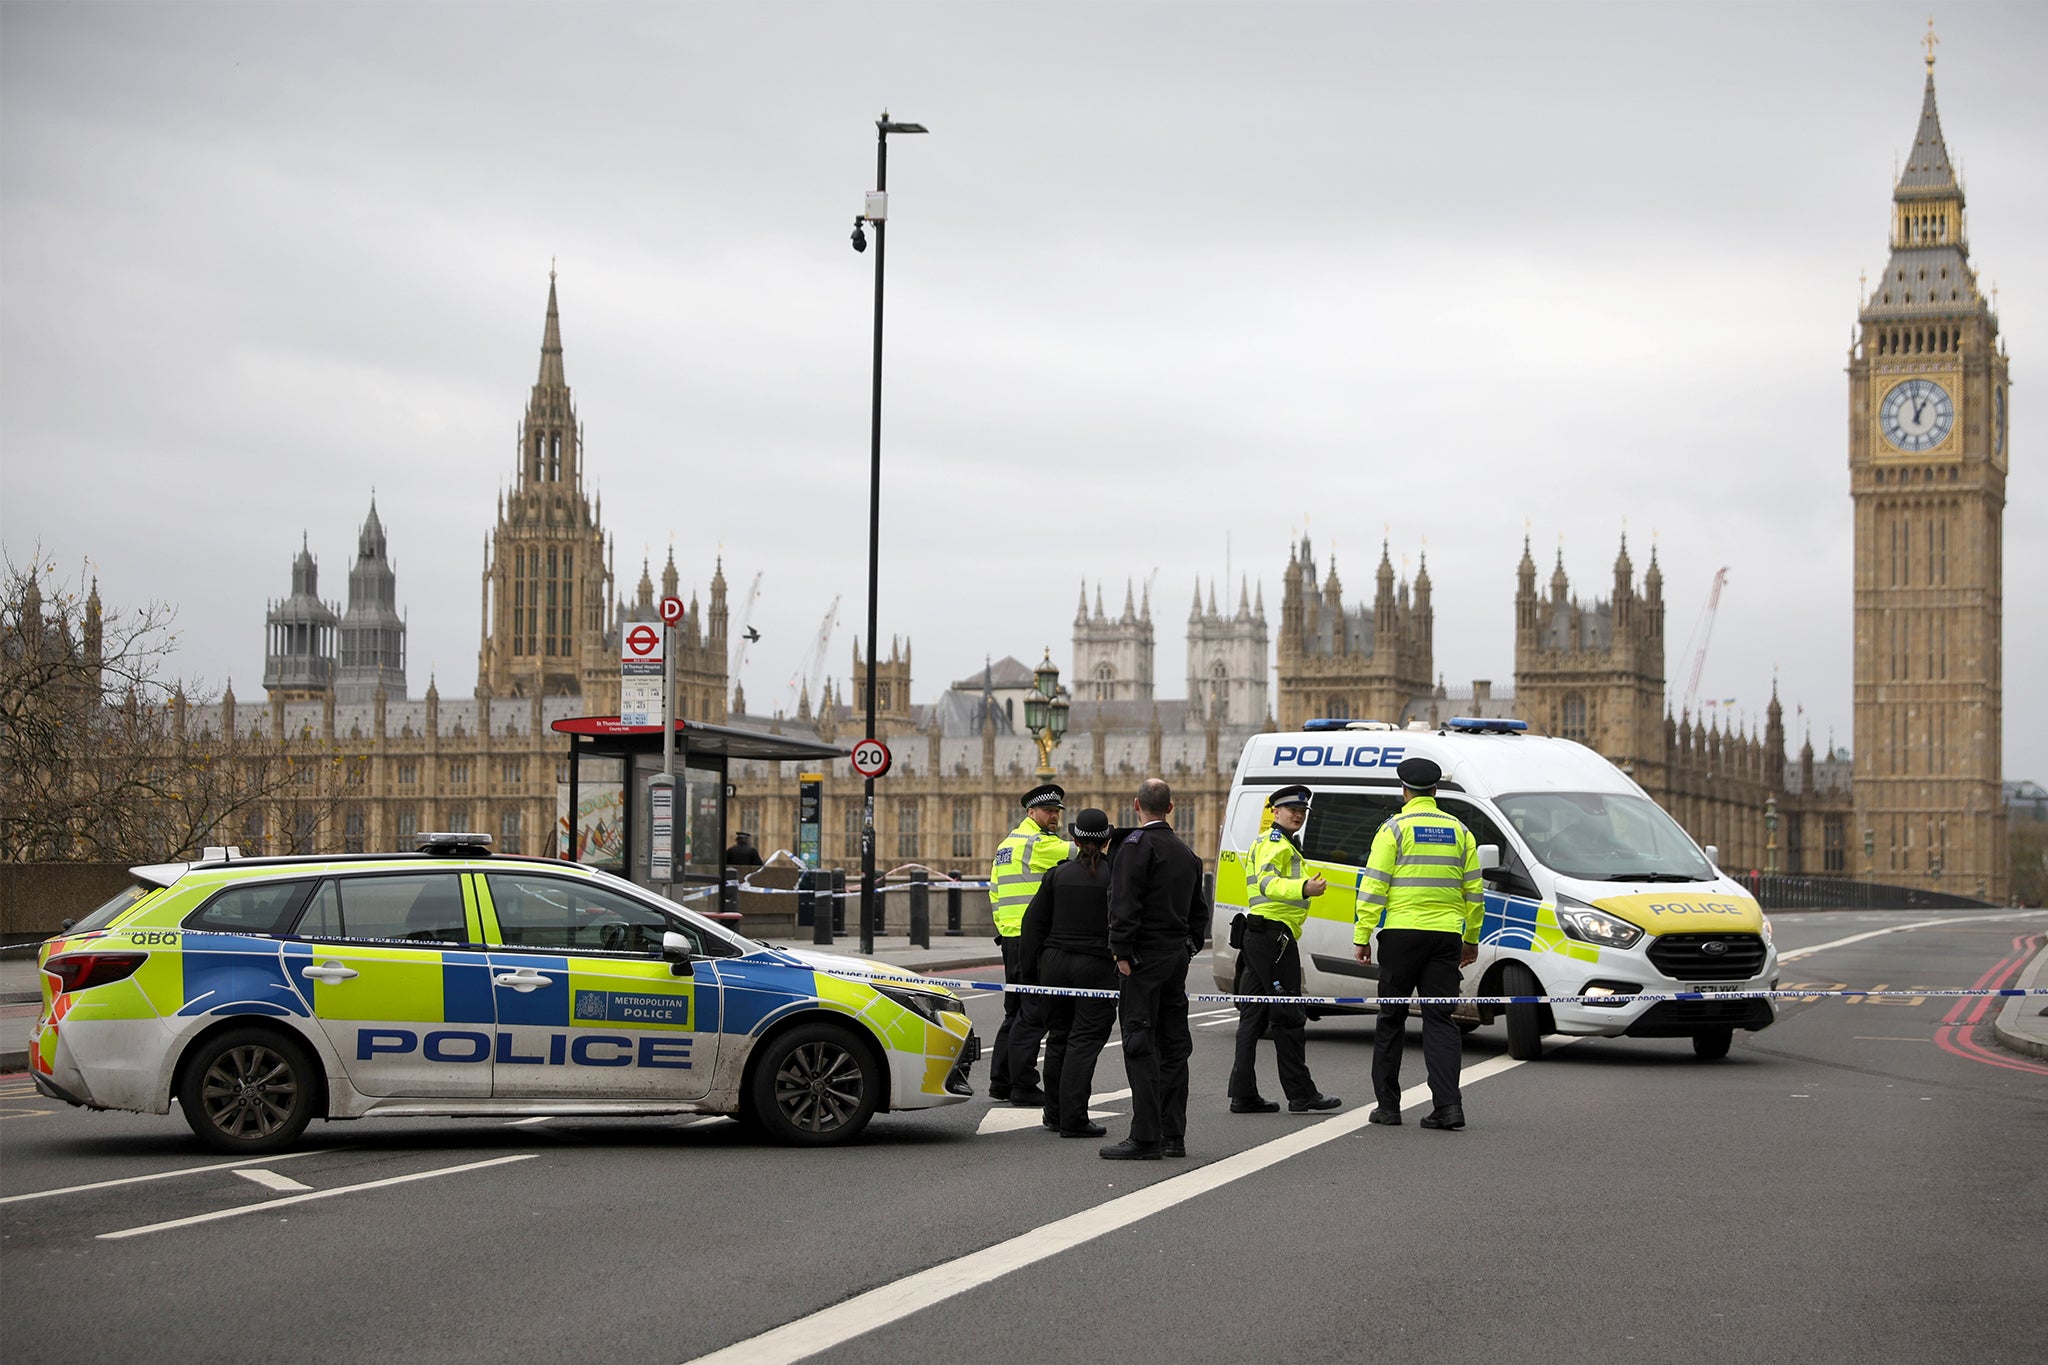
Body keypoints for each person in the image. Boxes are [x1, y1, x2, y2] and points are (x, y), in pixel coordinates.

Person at [1353, 756, 1484, 1131]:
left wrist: (1362, 935)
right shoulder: (1460, 831)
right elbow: (1474, 892)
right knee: (1441, 1020)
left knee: (1391, 1019)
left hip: (1400, 936)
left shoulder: (1393, 829)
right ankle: (1448, 1107)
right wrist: (1470, 939)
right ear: (1436, 791)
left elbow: (1374, 885)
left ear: (1404, 790)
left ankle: (1388, 1107)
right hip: (1445, 936)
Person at [1101, 778, 1206, 1161]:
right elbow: (1200, 911)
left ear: (1135, 805)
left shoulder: (1135, 848)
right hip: (1175, 958)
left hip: (1143, 961)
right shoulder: (1186, 852)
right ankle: (1173, 1136)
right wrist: (1189, 947)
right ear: (1171, 808)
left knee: (1140, 1045)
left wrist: (1122, 952)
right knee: (1174, 1047)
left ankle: (1146, 1136)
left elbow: (1123, 903)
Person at [1228, 785, 1342, 1115]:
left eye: (1302, 811)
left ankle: (1243, 1094)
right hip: (1274, 938)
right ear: (1275, 812)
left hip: (1260, 937)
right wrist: (1303, 887)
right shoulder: (1274, 843)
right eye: (1291, 810)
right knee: (1288, 1015)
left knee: (1253, 1015)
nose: (1298, 815)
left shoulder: (1282, 844)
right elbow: (1266, 883)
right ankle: (1302, 1094)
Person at [1017, 807, 1119, 1139]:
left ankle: (1054, 1113)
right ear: (1106, 842)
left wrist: (1030, 974)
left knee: (1059, 1037)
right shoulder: (1114, 879)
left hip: (1055, 965)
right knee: (1085, 1041)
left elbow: (1032, 926)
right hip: (1095, 966)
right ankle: (1073, 1119)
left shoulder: (1057, 876)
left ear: (1074, 840)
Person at [987, 782, 1073, 1106]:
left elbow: (993, 890)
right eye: (1049, 811)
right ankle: (1023, 1084)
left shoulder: (1006, 844)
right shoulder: (1039, 844)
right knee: (1034, 1012)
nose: (1054, 817)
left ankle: (1001, 1081)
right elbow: (1087, 850)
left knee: (1014, 1012)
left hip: (1010, 938)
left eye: (1056, 812)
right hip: (1031, 940)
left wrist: (1004, 927)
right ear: (1031, 812)